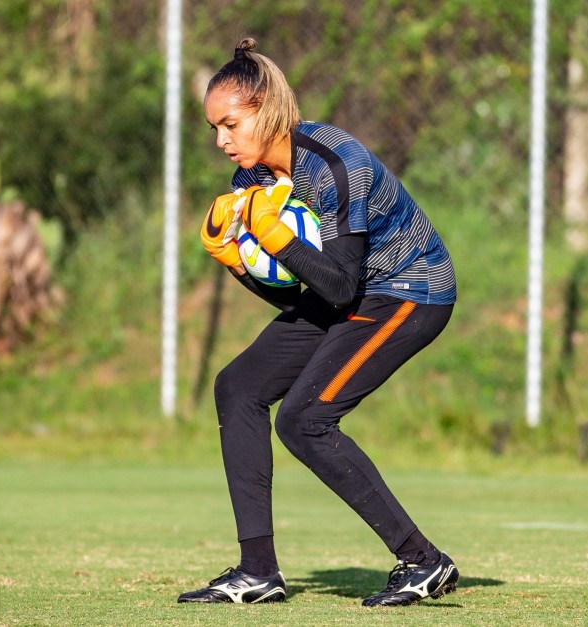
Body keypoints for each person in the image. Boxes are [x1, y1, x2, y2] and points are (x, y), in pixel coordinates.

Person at [178, 38, 459, 607]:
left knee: (304, 420)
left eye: (229, 124)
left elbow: (338, 284)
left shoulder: (335, 164)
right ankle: (257, 571)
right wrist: (237, 261)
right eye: (214, 129)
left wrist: (274, 236)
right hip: (349, 293)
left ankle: (424, 561)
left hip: (409, 289)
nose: (221, 140)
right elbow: (293, 289)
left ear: (263, 106)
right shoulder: (250, 181)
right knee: (238, 387)